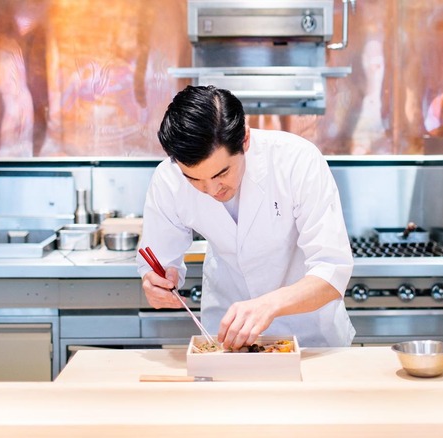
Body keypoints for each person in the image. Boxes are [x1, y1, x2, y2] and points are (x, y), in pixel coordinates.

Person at [137, 85, 355, 350]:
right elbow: (159, 263)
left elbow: (332, 271)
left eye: (221, 174)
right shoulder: (168, 180)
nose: (212, 190)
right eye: (194, 179)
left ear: (245, 140)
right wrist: (155, 282)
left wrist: (269, 305)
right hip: (229, 337)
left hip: (310, 337)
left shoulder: (297, 161)